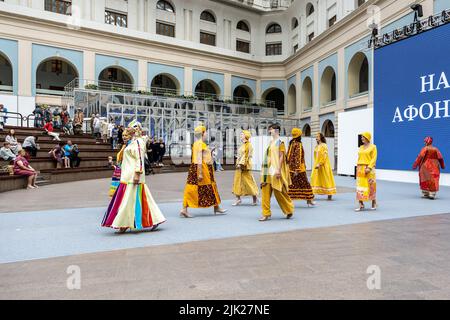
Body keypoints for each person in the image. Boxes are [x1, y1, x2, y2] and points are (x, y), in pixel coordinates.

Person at [102, 121, 166, 233]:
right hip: (127, 176)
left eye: (130, 128)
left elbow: (140, 158)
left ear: (135, 129)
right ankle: (154, 219)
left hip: (132, 177)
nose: (127, 129)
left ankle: (124, 223)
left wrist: (137, 173)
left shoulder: (138, 142)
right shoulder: (133, 142)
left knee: (129, 200)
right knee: (136, 199)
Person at [180, 125, 227, 218]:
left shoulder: (198, 144)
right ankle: (184, 209)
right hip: (202, 169)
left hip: (200, 169)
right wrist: (200, 173)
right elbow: (199, 159)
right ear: (202, 133)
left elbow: (204, 156)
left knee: (207, 188)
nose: (206, 134)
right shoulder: (200, 144)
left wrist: (211, 150)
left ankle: (216, 206)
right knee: (196, 189)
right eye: (205, 132)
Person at [259, 123, 294, 222]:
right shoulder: (271, 142)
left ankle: (289, 209)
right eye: (269, 129)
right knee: (265, 192)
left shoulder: (280, 142)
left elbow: (281, 156)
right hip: (267, 170)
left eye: (271, 129)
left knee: (279, 192)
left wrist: (278, 170)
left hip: (275, 170)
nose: (270, 131)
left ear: (276, 130)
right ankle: (266, 214)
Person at [286, 128, 316, 206]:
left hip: (291, 167)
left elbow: (288, 155)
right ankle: (309, 200)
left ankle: (291, 200)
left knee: (292, 184)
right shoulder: (298, 144)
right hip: (299, 168)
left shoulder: (291, 143)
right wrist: (297, 169)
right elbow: (298, 157)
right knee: (305, 183)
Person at [232, 130, 258, 206]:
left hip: (245, 166)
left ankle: (255, 197)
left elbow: (247, 156)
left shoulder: (248, 145)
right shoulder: (242, 145)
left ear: (246, 136)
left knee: (249, 182)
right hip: (239, 166)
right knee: (237, 181)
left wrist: (241, 163)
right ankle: (238, 199)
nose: (240, 135)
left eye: (242, 134)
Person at [355, 132, 378, 212]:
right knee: (360, 187)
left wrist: (369, 167)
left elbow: (374, 158)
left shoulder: (373, 147)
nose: (361, 139)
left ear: (367, 138)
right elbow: (359, 157)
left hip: (369, 169)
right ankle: (361, 204)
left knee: (371, 185)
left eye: (363, 137)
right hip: (360, 168)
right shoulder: (361, 147)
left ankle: (373, 202)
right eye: (361, 137)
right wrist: (358, 167)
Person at [310, 133, 337, 200]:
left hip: (323, 164)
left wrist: (320, 163)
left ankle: (329, 193)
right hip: (316, 164)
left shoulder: (324, 145)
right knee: (314, 177)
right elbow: (315, 156)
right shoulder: (316, 146)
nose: (316, 138)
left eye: (317, 137)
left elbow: (324, 155)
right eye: (316, 137)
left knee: (326, 178)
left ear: (321, 137)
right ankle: (313, 193)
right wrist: (316, 163)